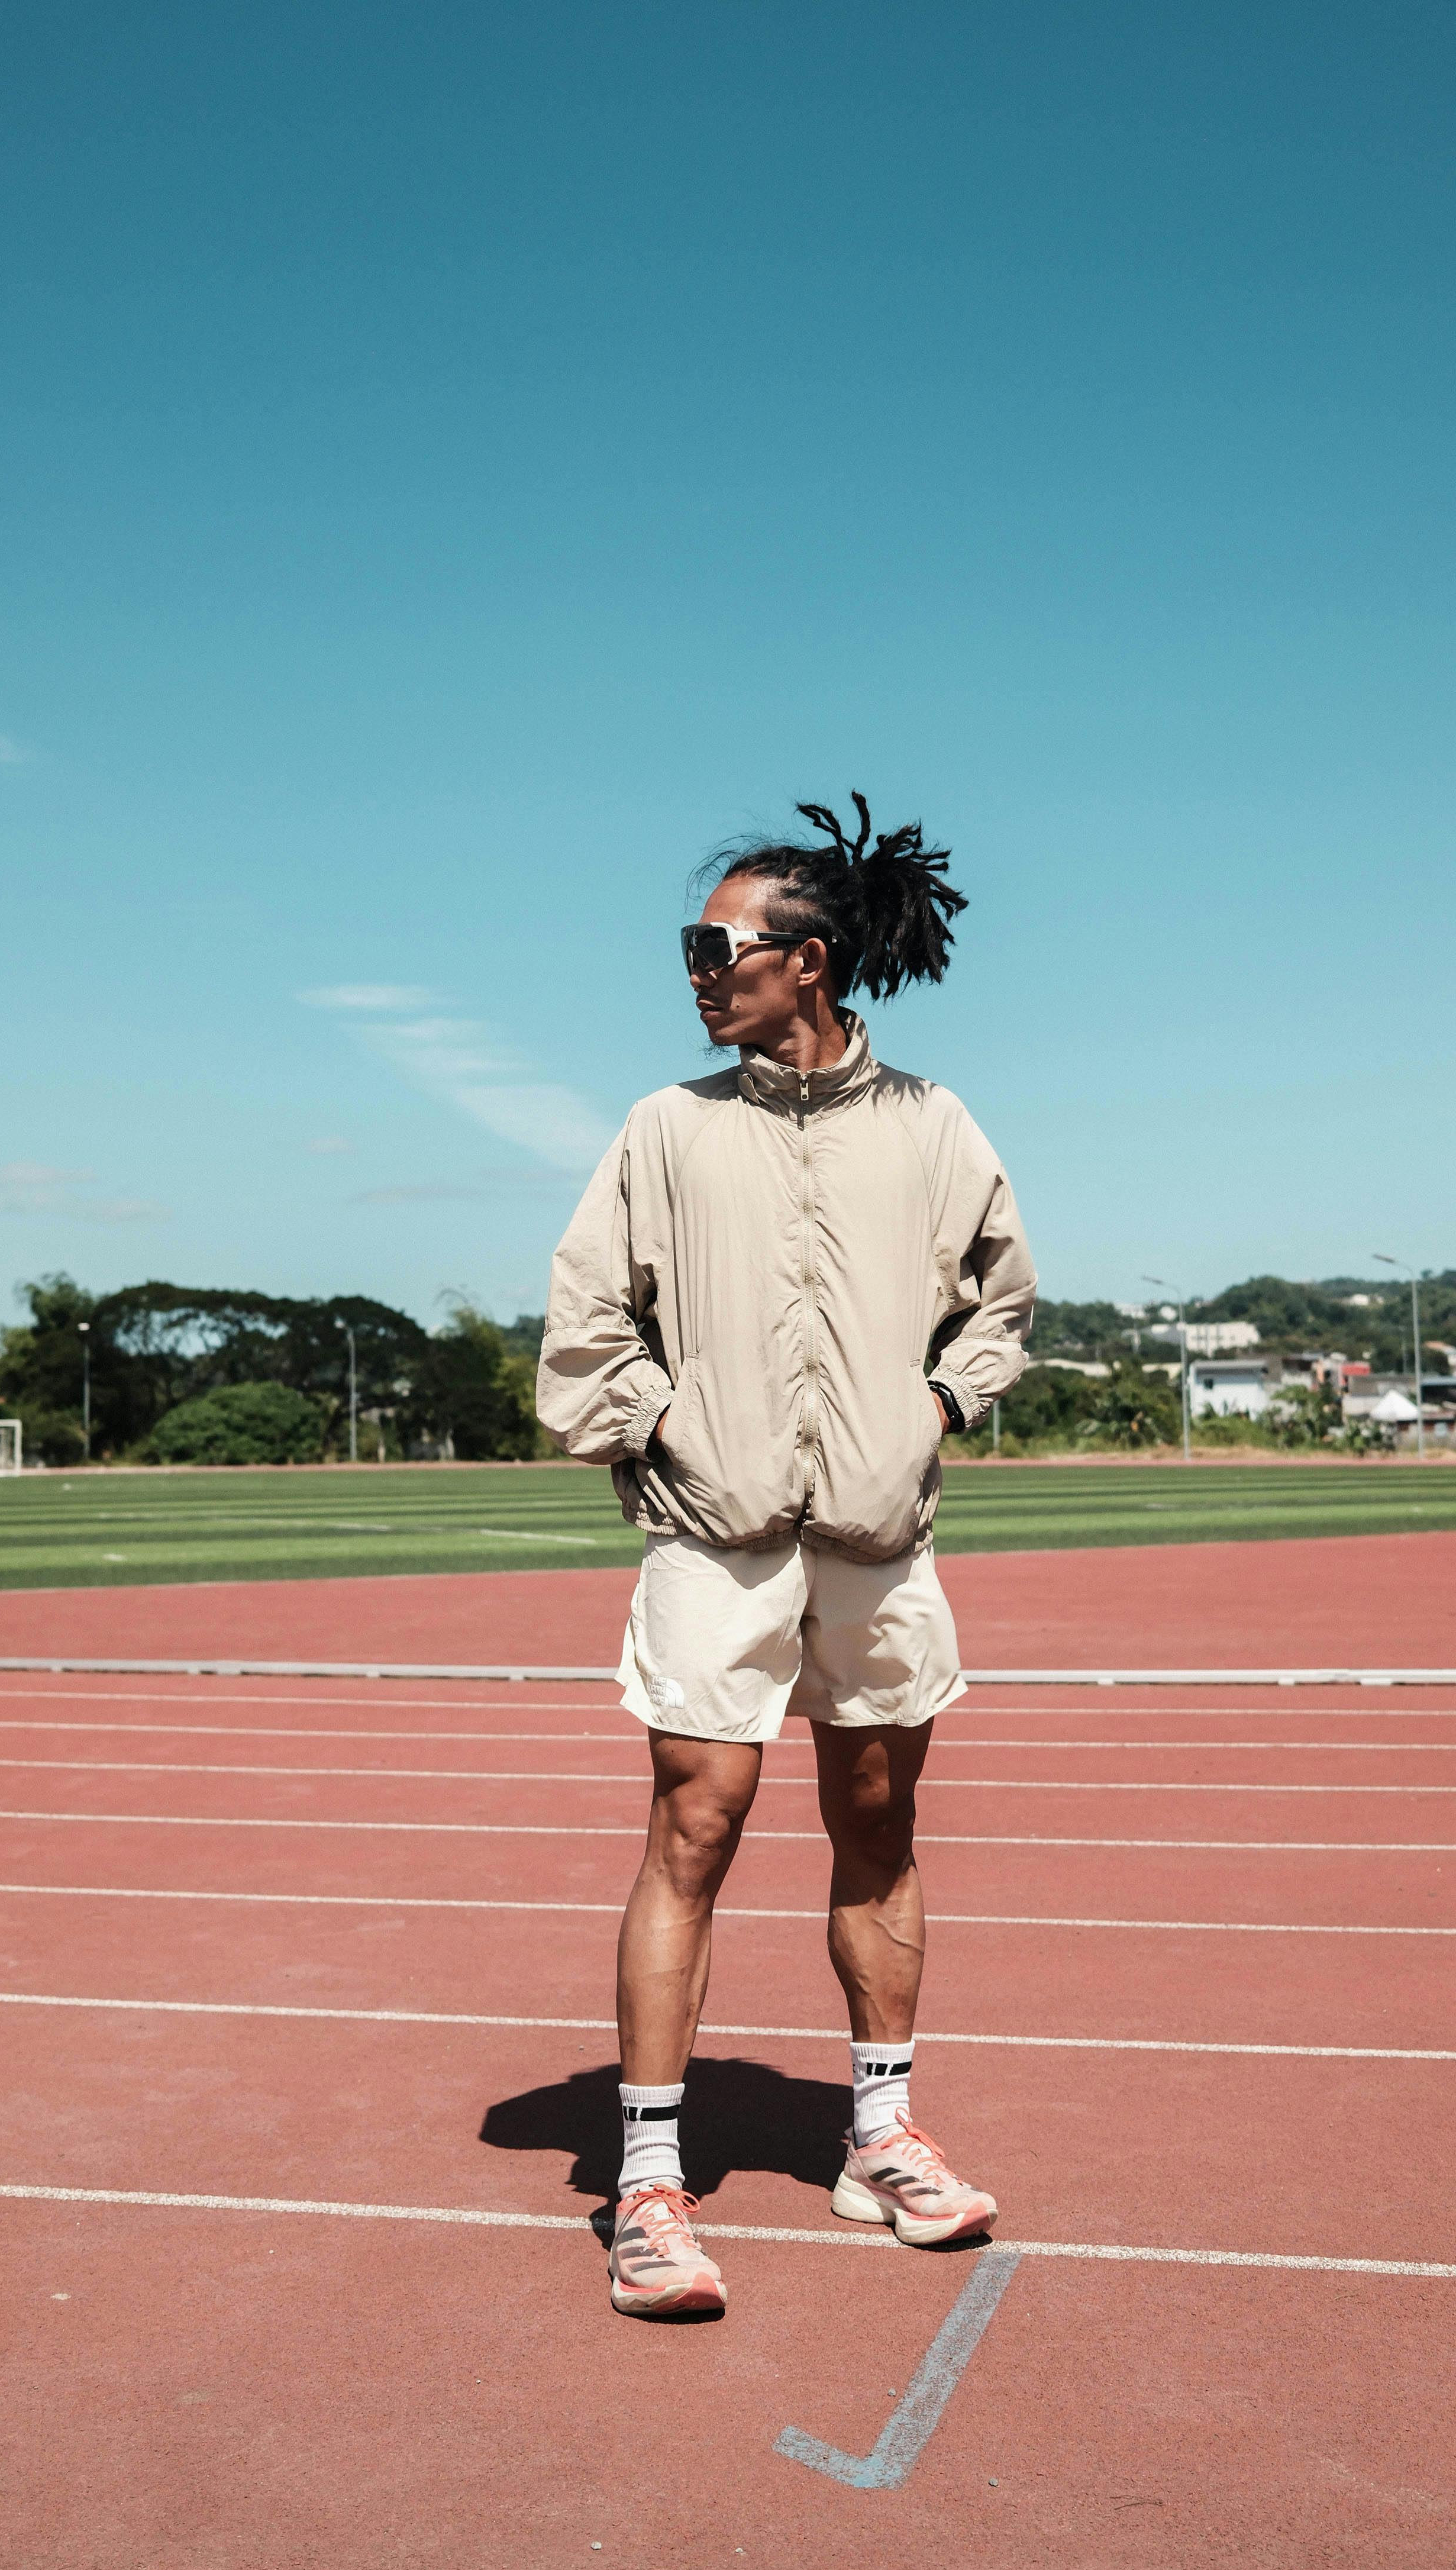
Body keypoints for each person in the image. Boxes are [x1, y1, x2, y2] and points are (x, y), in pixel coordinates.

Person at [537, 795, 1035, 2317]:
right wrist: (662, 1432)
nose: (696, 970)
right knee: (699, 1825)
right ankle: (648, 2182)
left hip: (881, 1540)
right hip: (714, 1536)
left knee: (877, 1819)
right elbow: (584, 1322)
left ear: (808, 963)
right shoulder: (666, 1129)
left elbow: (1002, 1301)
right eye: (694, 948)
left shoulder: (936, 1123)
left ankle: (878, 2137)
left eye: (718, 945)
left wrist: (931, 1406)